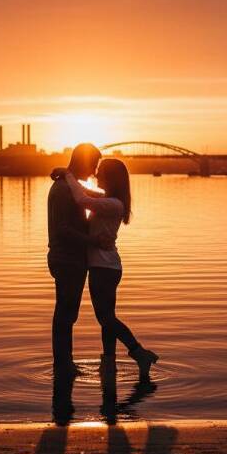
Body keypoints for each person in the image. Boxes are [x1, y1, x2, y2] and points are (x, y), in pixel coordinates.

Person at [58, 158, 159, 382]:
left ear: (111, 178)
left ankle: (139, 353)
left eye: (101, 172)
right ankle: (109, 365)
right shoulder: (109, 200)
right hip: (106, 266)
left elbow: (81, 198)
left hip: (103, 267)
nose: (96, 176)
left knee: (105, 319)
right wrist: (70, 177)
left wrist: (68, 175)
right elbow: (85, 192)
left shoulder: (112, 204)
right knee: (108, 318)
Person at [47, 143, 112, 376]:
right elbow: (63, 229)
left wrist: (113, 199)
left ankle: (64, 364)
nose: (94, 172)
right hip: (67, 259)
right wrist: (94, 240)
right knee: (65, 313)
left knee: (67, 313)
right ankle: (63, 365)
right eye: (94, 165)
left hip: (70, 258)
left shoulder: (68, 185)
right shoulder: (64, 189)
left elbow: (89, 198)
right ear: (84, 162)